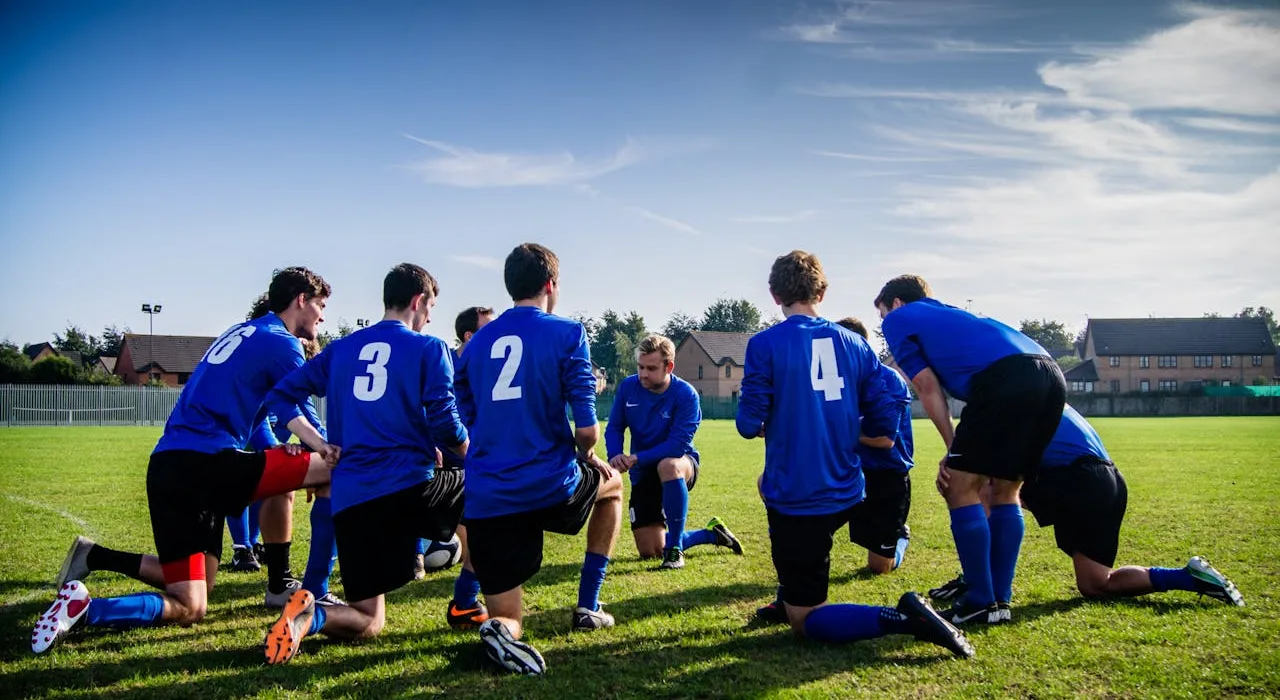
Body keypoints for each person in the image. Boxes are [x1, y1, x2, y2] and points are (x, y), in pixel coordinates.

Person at [34, 267, 338, 654]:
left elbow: (251, 416)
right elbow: (299, 407)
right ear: (301, 300)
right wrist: (322, 449)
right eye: (321, 305)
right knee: (333, 468)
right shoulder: (282, 342)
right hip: (207, 464)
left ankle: (84, 608)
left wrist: (291, 454)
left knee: (192, 601)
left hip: (168, 466)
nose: (322, 316)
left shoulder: (242, 332)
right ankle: (304, 589)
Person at [736, 251, 972, 659]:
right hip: (850, 487)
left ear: (775, 295)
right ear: (822, 292)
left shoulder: (765, 344)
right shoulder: (855, 345)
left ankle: (904, 619)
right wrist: (850, 427)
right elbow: (887, 407)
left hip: (799, 495)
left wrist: (774, 420)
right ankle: (791, 587)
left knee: (805, 621)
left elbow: (747, 422)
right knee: (777, 502)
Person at [260, 263, 471, 665]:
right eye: (430, 307)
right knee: (489, 496)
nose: (430, 317)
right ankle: (470, 600)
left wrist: (318, 444)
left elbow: (280, 397)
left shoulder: (341, 349)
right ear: (417, 300)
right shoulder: (430, 348)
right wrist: (476, 454)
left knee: (369, 619)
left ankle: (310, 616)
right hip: (409, 490)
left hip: (352, 500)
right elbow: (446, 422)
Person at [455, 243, 624, 675]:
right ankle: (589, 604)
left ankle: (500, 631)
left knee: (509, 616)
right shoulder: (568, 333)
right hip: (550, 484)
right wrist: (586, 454)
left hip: (489, 494)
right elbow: (587, 430)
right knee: (614, 487)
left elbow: (465, 418)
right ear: (551, 284)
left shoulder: (474, 346)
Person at [875, 275, 1066, 625]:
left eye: (883, 314)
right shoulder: (949, 315)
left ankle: (979, 598)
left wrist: (953, 446)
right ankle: (998, 601)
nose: (884, 323)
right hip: (1050, 373)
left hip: (1006, 378)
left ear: (896, 304)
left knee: (959, 486)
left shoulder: (901, 318)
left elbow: (926, 386)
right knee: (1005, 490)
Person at [929, 406, 1245, 607]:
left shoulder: (1009, 400)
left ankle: (978, 583)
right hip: (1108, 481)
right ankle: (1186, 577)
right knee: (1096, 584)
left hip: (1075, 478)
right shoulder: (1039, 392)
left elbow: (991, 473)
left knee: (983, 491)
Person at [605, 333, 742, 570]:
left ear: (669, 366)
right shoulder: (628, 387)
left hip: (681, 465)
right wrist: (615, 454)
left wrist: (636, 457)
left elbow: (677, 446)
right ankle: (711, 534)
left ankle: (675, 550)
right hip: (643, 472)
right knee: (650, 551)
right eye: (640, 367)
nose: (643, 374)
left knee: (668, 464)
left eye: (651, 368)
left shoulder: (686, 395)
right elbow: (615, 427)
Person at [414, 306, 495, 580]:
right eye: (488, 329)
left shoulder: (492, 369)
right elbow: (420, 405)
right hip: (439, 450)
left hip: (473, 453)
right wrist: (427, 442)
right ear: (469, 336)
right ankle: (415, 553)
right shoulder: (441, 360)